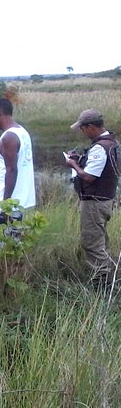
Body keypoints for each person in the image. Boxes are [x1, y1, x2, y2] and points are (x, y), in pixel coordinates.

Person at [65, 109, 119, 286]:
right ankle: (108, 276)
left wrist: (73, 164)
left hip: (95, 202)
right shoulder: (111, 143)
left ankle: (101, 284)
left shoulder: (99, 148)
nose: (82, 132)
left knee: (92, 243)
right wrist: (80, 159)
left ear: (90, 127)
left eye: (83, 128)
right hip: (105, 200)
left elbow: (89, 177)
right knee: (100, 240)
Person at [0, 98, 36, 250]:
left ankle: (0, 274)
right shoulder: (22, 132)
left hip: (5, 203)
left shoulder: (9, 137)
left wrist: (5, 205)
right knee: (12, 246)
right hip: (18, 202)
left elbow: (11, 170)